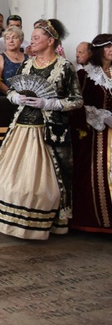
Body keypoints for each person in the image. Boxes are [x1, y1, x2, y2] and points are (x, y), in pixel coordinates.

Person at [0, 20, 82, 240]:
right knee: (7, 179)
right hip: (22, 128)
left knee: (44, 185)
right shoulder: (27, 65)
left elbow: (76, 100)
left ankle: (42, 223)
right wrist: (14, 97)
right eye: (32, 37)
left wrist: (51, 104)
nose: (31, 41)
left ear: (50, 41)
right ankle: (11, 222)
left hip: (49, 131)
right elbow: (12, 91)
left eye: (36, 38)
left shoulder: (64, 67)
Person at [72, 34, 112, 234]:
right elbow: (78, 105)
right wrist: (101, 116)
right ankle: (95, 220)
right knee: (95, 174)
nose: (111, 50)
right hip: (96, 135)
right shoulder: (86, 75)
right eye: (108, 47)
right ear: (98, 50)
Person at [0, 26, 28, 94]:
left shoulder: (28, 58)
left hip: (26, 96)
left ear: (21, 40)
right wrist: (11, 93)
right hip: (6, 97)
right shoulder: (0, 58)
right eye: (8, 38)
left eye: (14, 38)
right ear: (5, 41)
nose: (11, 41)